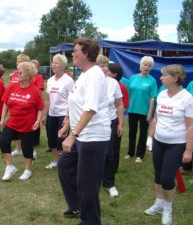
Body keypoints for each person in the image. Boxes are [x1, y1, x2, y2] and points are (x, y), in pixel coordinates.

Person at [58, 38, 111, 225]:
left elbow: (90, 109)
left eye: (75, 50)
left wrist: (72, 136)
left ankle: (91, 221)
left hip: (94, 136)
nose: (72, 54)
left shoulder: (95, 74)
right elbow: (78, 104)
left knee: (87, 183)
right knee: (64, 166)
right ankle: (78, 205)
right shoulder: (84, 74)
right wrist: (67, 124)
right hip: (82, 134)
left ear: (86, 53)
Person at [144, 64, 193, 225]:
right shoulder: (162, 94)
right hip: (159, 141)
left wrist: (188, 150)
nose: (161, 78)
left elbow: (190, 126)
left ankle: (168, 207)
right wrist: (150, 138)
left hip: (176, 144)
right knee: (158, 176)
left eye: (164, 75)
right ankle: (159, 203)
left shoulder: (186, 98)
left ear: (175, 78)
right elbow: (156, 119)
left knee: (167, 178)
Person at [0, 61, 44, 181]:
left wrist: (38, 121)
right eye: (17, 70)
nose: (17, 73)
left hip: (28, 124)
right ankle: (9, 166)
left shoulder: (35, 91)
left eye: (20, 72)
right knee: (3, 140)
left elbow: (40, 108)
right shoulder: (12, 87)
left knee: (27, 147)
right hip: (13, 122)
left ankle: (28, 170)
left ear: (28, 75)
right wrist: (3, 118)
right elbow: (5, 103)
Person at [97, 55, 124, 198]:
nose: (105, 68)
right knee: (92, 152)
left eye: (106, 65)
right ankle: (92, 179)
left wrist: (121, 123)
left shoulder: (113, 83)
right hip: (93, 123)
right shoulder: (88, 81)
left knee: (108, 153)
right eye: (102, 65)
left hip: (111, 121)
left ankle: (109, 183)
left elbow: (119, 104)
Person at [41, 54, 74, 169]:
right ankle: (56, 161)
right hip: (52, 114)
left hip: (63, 114)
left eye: (56, 63)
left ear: (63, 66)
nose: (53, 65)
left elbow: (72, 100)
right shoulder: (50, 80)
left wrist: (67, 116)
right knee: (52, 140)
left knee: (61, 140)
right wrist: (45, 115)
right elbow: (48, 99)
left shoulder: (69, 81)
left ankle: (65, 162)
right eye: (53, 62)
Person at [125, 56, 157, 163]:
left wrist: (150, 113)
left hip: (144, 111)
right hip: (132, 109)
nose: (146, 67)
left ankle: (140, 155)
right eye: (145, 64)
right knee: (132, 132)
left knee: (143, 133)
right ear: (141, 65)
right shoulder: (133, 78)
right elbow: (128, 92)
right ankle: (130, 152)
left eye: (149, 65)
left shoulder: (152, 80)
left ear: (151, 67)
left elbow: (152, 98)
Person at [108, 63, 129, 174]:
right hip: (108, 120)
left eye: (108, 70)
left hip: (115, 120)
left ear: (115, 74)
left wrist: (118, 119)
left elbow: (124, 105)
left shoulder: (121, 87)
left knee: (114, 147)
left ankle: (113, 168)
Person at [9, 54, 30, 156]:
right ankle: (17, 148)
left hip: (25, 104)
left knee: (25, 130)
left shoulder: (28, 75)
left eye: (19, 61)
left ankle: (28, 149)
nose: (17, 63)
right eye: (16, 61)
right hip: (14, 103)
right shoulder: (13, 75)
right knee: (14, 127)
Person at [182, 66, 193, 178]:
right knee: (187, 144)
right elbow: (185, 97)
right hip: (189, 120)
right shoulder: (192, 83)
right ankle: (187, 167)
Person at [31, 59, 45, 147]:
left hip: (35, 102)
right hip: (28, 102)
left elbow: (39, 91)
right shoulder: (29, 76)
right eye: (33, 67)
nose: (34, 69)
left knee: (36, 120)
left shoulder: (38, 77)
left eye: (36, 67)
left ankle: (36, 140)